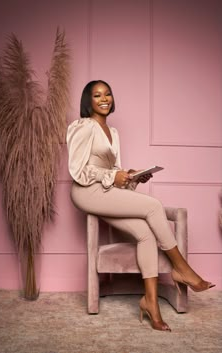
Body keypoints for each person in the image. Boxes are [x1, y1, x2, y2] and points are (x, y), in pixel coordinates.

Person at [66, 80, 215, 332]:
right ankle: (182, 270)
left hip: (105, 190)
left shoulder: (113, 133)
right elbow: (77, 170)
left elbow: (113, 171)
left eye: (108, 94)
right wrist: (113, 176)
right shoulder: (82, 127)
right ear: (87, 101)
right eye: (97, 95)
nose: (104, 99)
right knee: (154, 206)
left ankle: (150, 303)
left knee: (145, 233)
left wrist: (131, 175)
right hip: (85, 191)